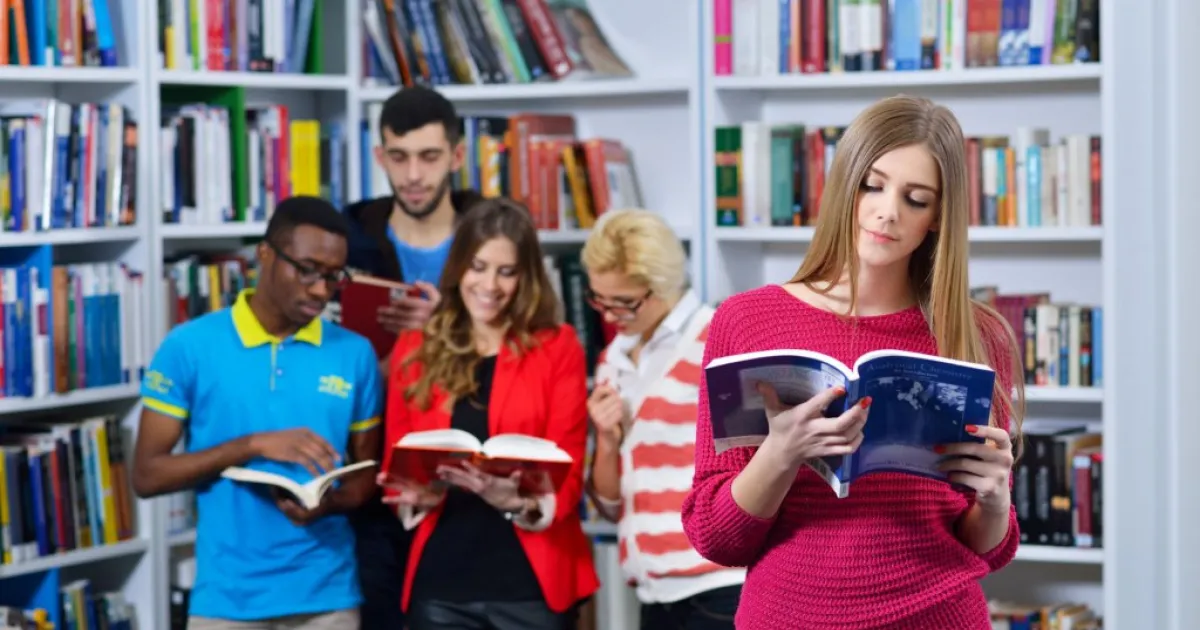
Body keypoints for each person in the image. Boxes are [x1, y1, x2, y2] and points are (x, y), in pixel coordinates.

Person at [680, 95, 1026, 630]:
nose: (888, 211)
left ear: (938, 218)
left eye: (916, 199)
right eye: (873, 184)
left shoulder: (975, 334)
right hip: (787, 615)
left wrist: (997, 499)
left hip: (938, 614)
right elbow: (715, 537)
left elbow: (988, 551)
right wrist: (781, 453)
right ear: (845, 185)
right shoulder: (747, 321)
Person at [131, 196, 383, 629]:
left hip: (329, 598)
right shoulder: (189, 347)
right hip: (226, 600)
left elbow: (364, 478)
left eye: (333, 276)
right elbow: (147, 476)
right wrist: (251, 445)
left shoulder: (355, 354)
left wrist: (327, 505)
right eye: (306, 270)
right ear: (263, 255)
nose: (321, 290)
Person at [378, 197, 600, 630]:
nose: (490, 285)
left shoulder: (558, 347)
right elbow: (396, 462)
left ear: (526, 276)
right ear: (459, 265)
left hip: (531, 586)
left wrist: (518, 502)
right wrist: (416, 497)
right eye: (478, 266)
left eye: (507, 271)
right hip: (441, 584)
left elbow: (570, 475)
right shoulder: (414, 350)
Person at [341, 84, 483, 630]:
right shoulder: (351, 238)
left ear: (457, 155)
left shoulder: (490, 236)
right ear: (379, 156)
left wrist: (442, 328)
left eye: (428, 156)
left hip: (471, 471)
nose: (413, 175)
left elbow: (529, 340)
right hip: (378, 469)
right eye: (398, 158)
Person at [580, 209, 744, 629]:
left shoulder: (717, 339)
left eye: (624, 302)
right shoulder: (612, 360)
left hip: (717, 585)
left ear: (661, 287)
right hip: (651, 588)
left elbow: (750, 466)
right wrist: (608, 439)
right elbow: (611, 503)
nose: (610, 315)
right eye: (599, 299)